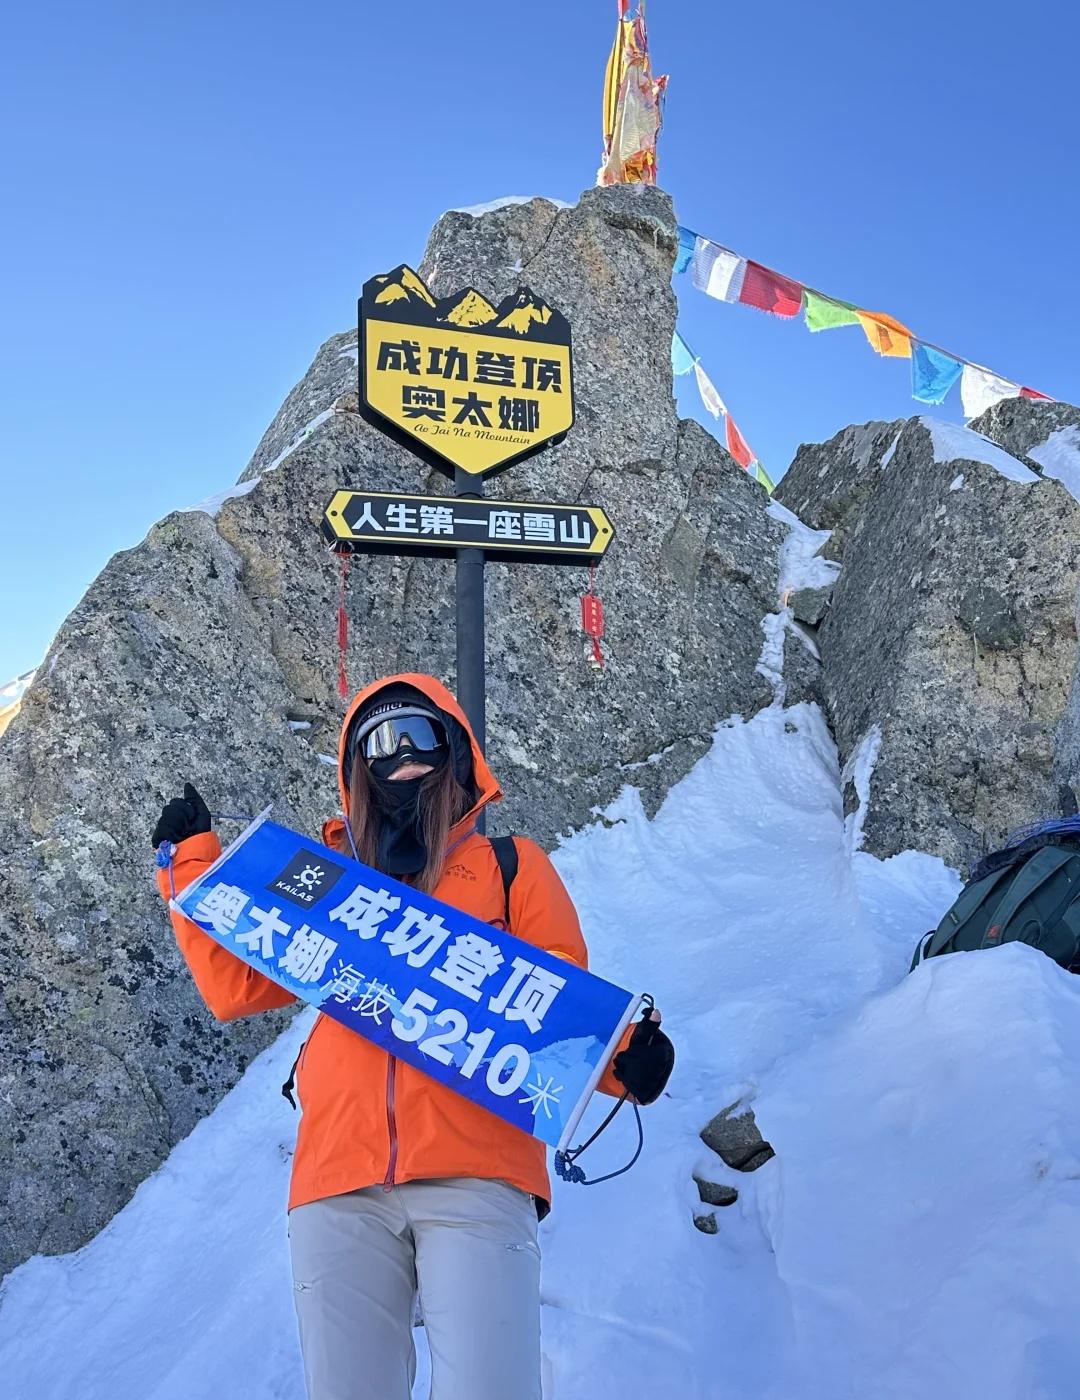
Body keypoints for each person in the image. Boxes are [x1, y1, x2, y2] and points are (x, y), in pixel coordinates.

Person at [153, 673, 674, 1400]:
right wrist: (192, 867)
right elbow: (235, 981)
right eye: (378, 742)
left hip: (477, 1170)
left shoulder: (509, 867)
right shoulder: (328, 882)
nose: (400, 754)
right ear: (355, 770)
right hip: (338, 1179)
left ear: (455, 752)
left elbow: (555, 1005)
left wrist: (627, 1063)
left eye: (419, 735)